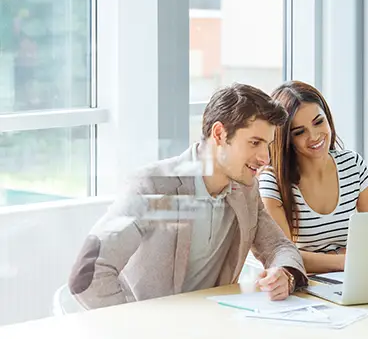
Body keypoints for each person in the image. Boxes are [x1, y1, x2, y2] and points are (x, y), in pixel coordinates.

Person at [68, 83, 307, 309]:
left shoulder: (246, 189)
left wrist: (284, 275)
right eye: (255, 142)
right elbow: (87, 273)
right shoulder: (153, 186)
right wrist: (135, 327)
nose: (265, 158)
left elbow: (277, 246)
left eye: (267, 145)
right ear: (220, 134)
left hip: (212, 329)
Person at [259, 81, 368, 274]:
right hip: (306, 285)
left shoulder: (352, 164)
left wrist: (336, 259)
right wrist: (344, 260)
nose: (314, 136)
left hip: (355, 277)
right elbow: (285, 256)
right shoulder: (272, 180)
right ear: (286, 139)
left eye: (318, 122)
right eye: (299, 132)